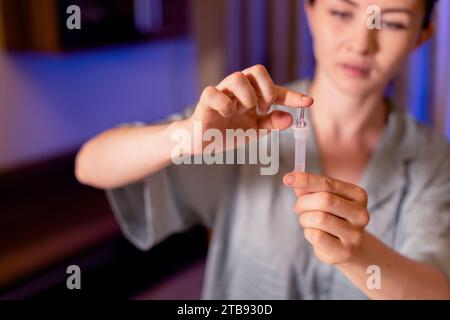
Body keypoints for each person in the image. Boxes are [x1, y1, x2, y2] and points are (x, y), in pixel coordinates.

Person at [75, 0, 450, 299]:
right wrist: (185, 136)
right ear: (310, 11)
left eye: (394, 22)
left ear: (423, 34)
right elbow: (90, 164)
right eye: (341, 12)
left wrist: (358, 254)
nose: (361, 43)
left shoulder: (432, 160)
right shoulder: (246, 121)